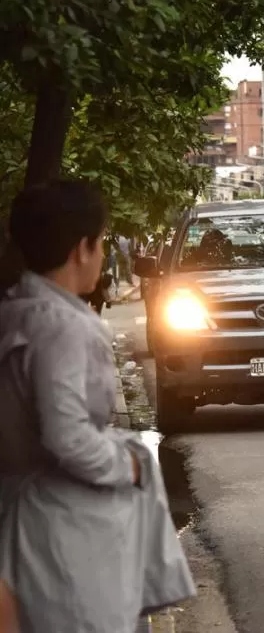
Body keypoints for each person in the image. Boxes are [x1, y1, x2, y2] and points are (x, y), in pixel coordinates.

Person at [0, 179, 195, 632]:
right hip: (65, 531)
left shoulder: (15, 312)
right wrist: (128, 464)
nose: (105, 253)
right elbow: (66, 435)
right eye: (103, 241)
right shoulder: (64, 325)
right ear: (81, 249)